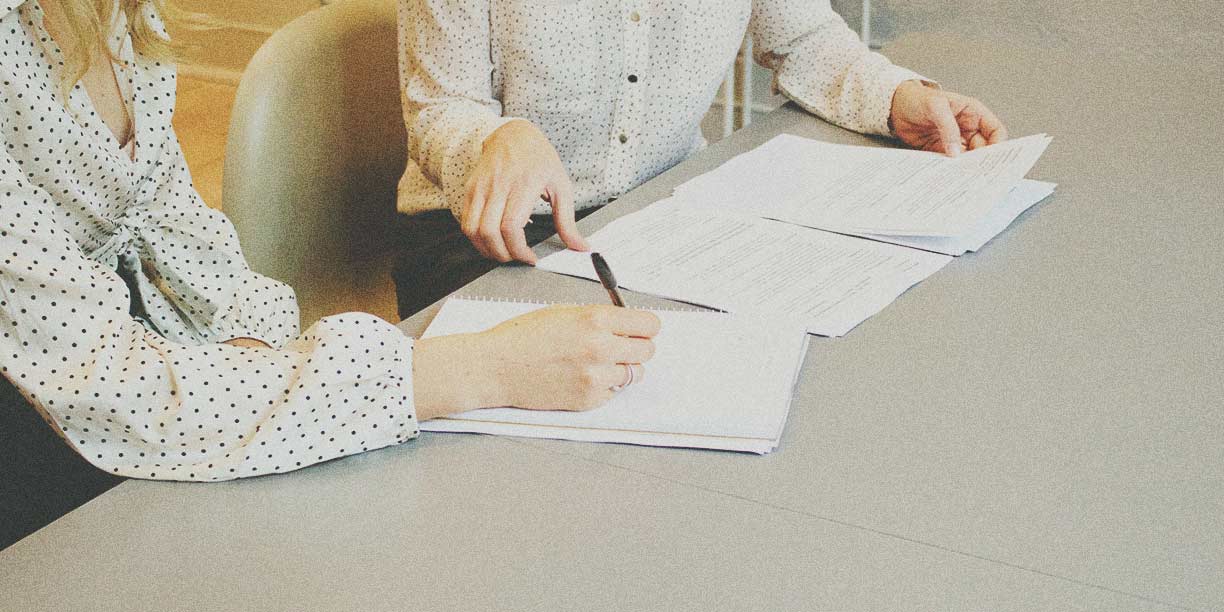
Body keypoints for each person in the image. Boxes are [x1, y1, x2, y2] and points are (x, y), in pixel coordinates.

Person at [0, 0, 659, 483]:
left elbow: (184, 236)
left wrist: (265, 364)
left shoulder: (115, 17)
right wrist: (480, 368)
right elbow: (112, 389)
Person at [393, 0, 1009, 317]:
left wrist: (897, 98)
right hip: (483, 241)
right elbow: (440, 105)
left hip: (661, 220)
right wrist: (495, 140)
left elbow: (804, 40)